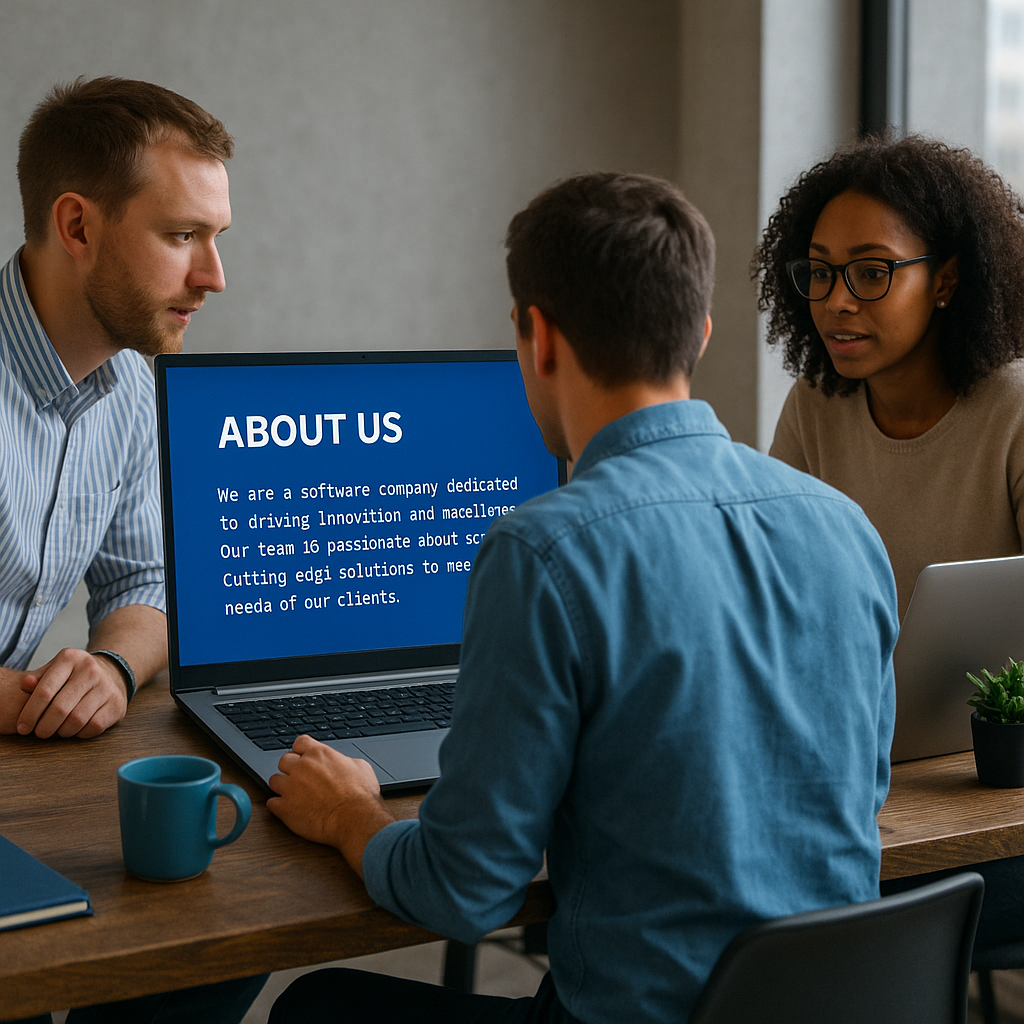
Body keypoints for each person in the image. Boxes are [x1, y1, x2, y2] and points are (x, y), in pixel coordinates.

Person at [264, 171, 899, 1024]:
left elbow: (464, 892)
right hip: (838, 1008)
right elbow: (861, 792)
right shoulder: (846, 526)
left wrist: (350, 814)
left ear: (539, 337)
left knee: (319, 1005)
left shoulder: (543, 550)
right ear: (700, 334)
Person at [5, 77, 265, 1024]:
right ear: (77, 226)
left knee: (219, 944)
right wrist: (37, 693)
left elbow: (149, 583)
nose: (215, 276)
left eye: (216, 238)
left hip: (21, 763)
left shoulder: (125, 382)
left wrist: (114, 664)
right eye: (182, 235)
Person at [754, 134, 1024, 952]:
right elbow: (766, 598)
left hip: (990, 794)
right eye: (820, 271)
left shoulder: (1013, 414)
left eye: (872, 272)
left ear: (944, 279)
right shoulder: (815, 407)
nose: (838, 300)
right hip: (847, 778)